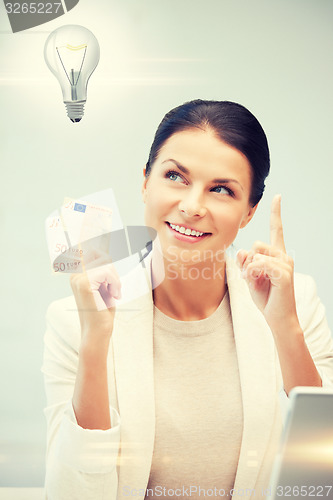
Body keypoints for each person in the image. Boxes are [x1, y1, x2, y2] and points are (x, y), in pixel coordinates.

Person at [42, 100, 333, 500]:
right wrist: (95, 341)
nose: (193, 206)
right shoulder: (71, 321)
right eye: (175, 176)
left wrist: (285, 328)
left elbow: (319, 478)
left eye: (221, 189)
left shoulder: (295, 302)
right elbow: (73, 493)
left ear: (249, 212)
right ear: (145, 182)